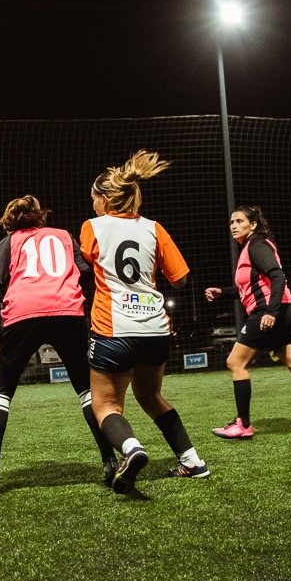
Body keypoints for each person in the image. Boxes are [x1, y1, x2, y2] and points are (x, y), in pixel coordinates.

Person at [0, 195, 118, 498]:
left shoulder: (8, 243)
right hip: (66, 313)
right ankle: (109, 461)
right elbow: (85, 272)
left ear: (10, 222)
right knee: (85, 390)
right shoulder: (64, 235)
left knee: (2, 391)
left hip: (23, 314)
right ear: (40, 217)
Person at [82, 150, 208, 494]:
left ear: (106, 199)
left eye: (93, 198)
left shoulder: (91, 227)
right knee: (151, 396)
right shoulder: (154, 228)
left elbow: (89, 259)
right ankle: (193, 461)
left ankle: (131, 449)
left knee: (106, 405)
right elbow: (180, 279)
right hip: (154, 327)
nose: (91, 204)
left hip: (112, 328)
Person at [206, 206, 291, 440]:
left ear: (254, 225)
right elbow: (253, 287)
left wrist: (271, 311)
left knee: (235, 362)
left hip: (271, 311)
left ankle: (243, 425)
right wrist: (224, 293)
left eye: (240, 221)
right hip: (288, 310)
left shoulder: (256, 245)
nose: (234, 225)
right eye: (231, 221)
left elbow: (277, 276)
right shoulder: (253, 247)